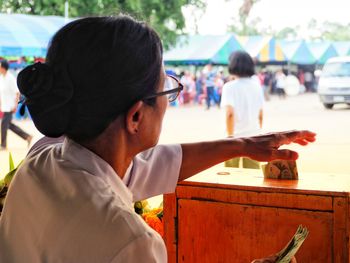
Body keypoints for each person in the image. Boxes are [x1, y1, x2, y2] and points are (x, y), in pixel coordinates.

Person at [0, 16, 315, 262]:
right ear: (136, 116)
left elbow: (148, 167)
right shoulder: (129, 242)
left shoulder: (42, 159)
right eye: (166, 87)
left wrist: (242, 144)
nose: (170, 98)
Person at [221, 51, 264, 169]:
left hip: (235, 137)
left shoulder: (229, 87)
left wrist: (230, 137)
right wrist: (258, 132)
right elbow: (260, 114)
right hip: (254, 137)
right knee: (252, 174)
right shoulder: (257, 86)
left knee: (231, 174)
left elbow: (230, 114)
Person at [0, 60, 32, 150]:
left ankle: (3, 145)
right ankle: (27, 137)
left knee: (4, 125)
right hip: (5, 106)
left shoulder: (10, 78)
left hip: (10, 106)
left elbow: (17, 92)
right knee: (9, 125)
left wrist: (15, 105)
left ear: (3, 67)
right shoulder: (2, 78)